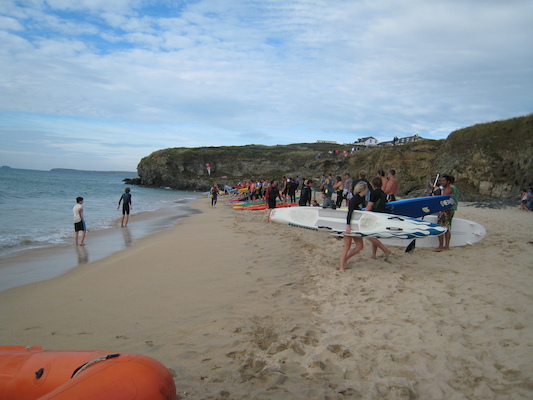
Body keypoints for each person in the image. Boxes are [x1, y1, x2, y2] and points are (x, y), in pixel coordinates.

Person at [339, 181, 368, 272]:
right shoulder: (354, 199)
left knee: (360, 246)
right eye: (366, 189)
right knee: (347, 246)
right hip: (349, 225)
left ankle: (344, 260)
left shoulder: (362, 199)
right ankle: (341, 267)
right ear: (362, 189)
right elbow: (350, 212)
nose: (367, 191)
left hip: (356, 226)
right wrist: (348, 225)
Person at [366, 177, 391, 261]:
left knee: (370, 236)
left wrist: (364, 214)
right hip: (382, 215)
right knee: (374, 235)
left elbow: (369, 205)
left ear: (373, 184)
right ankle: (373, 255)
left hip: (375, 215)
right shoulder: (383, 193)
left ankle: (385, 250)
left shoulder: (374, 193)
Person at [435, 175, 458, 251]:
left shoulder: (449, 189)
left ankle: (441, 246)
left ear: (448, 182)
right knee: (446, 228)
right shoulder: (446, 189)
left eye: (444, 181)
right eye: (442, 181)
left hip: (446, 212)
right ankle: (445, 246)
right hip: (447, 211)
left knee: (441, 228)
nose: (442, 182)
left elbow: (441, 198)